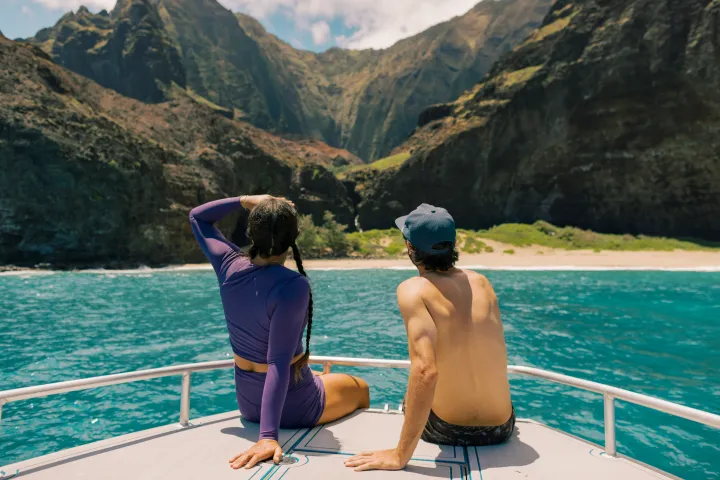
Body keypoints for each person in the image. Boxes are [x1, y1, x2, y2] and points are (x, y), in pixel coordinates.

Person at [189, 194, 370, 470]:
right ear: (293, 238)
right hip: (295, 405)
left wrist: (246, 199)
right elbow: (277, 363)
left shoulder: (227, 265)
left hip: (248, 403)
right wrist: (267, 437)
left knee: (322, 375)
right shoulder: (292, 285)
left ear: (251, 233)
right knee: (360, 387)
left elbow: (198, 217)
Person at [344, 204, 514, 472]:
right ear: (452, 244)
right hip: (504, 426)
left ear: (410, 248)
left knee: (411, 391)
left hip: (449, 430)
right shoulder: (482, 282)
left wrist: (400, 455)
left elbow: (425, 371)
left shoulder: (414, 289)